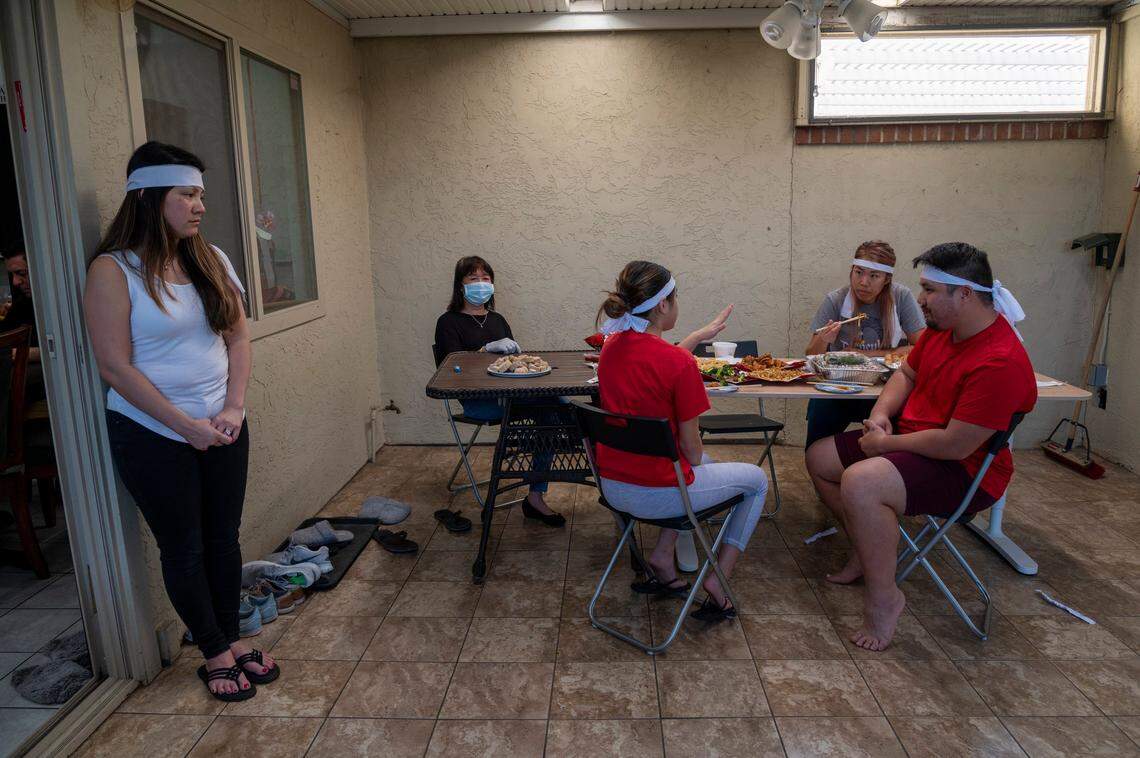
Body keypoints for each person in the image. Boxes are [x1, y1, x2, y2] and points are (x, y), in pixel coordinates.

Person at [84, 141, 276, 701]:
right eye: (188, 194)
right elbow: (114, 366)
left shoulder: (209, 258)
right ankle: (214, 652)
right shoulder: (112, 270)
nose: (200, 206)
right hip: (152, 435)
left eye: (200, 195)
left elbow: (237, 338)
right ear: (149, 197)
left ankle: (231, 637)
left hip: (224, 425)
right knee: (185, 547)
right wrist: (184, 426)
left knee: (223, 538)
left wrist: (233, 407)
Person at [805, 242, 1036, 651]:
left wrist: (885, 444)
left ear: (965, 294)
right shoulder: (941, 333)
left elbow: (954, 445)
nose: (920, 298)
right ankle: (866, 544)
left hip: (964, 471)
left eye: (929, 290)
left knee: (862, 482)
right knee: (819, 457)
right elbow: (906, 375)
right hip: (915, 443)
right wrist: (881, 413)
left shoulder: (999, 360)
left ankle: (884, 598)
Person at [594, 260, 768, 621]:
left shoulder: (610, 348)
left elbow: (659, 358)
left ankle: (662, 557)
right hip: (658, 494)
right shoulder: (679, 364)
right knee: (755, 481)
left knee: (705, 467)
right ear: (663, 304)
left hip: (612, 487)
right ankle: (718, 581)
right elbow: (691, 451)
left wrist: (700, 335)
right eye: (675, 298)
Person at [433, 256, 565, 526]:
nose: (481, 283)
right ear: (460, 286)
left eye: (486, 278)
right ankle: (511, 472)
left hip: (511, 394)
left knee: (555, 403)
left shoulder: (497, 320)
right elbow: (449, 371)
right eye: (473, 278)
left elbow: (513, 363)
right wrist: (483, 351)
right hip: (478, 401)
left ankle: (535, 496)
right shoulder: (448, 322)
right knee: (549, 409)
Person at [804, 241, 925, 448]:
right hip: (838, 388)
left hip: (885, 388)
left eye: (874, 276)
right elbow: (810, 355)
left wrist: (868, 355)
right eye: (858, 272)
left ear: (886, 279)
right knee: (817, 431)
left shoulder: (900, 297)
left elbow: (922, 348)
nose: (863, 282)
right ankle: (819, 457)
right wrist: (824, 340)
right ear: (851, 270)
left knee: (898, 430)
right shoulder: (836, 299)